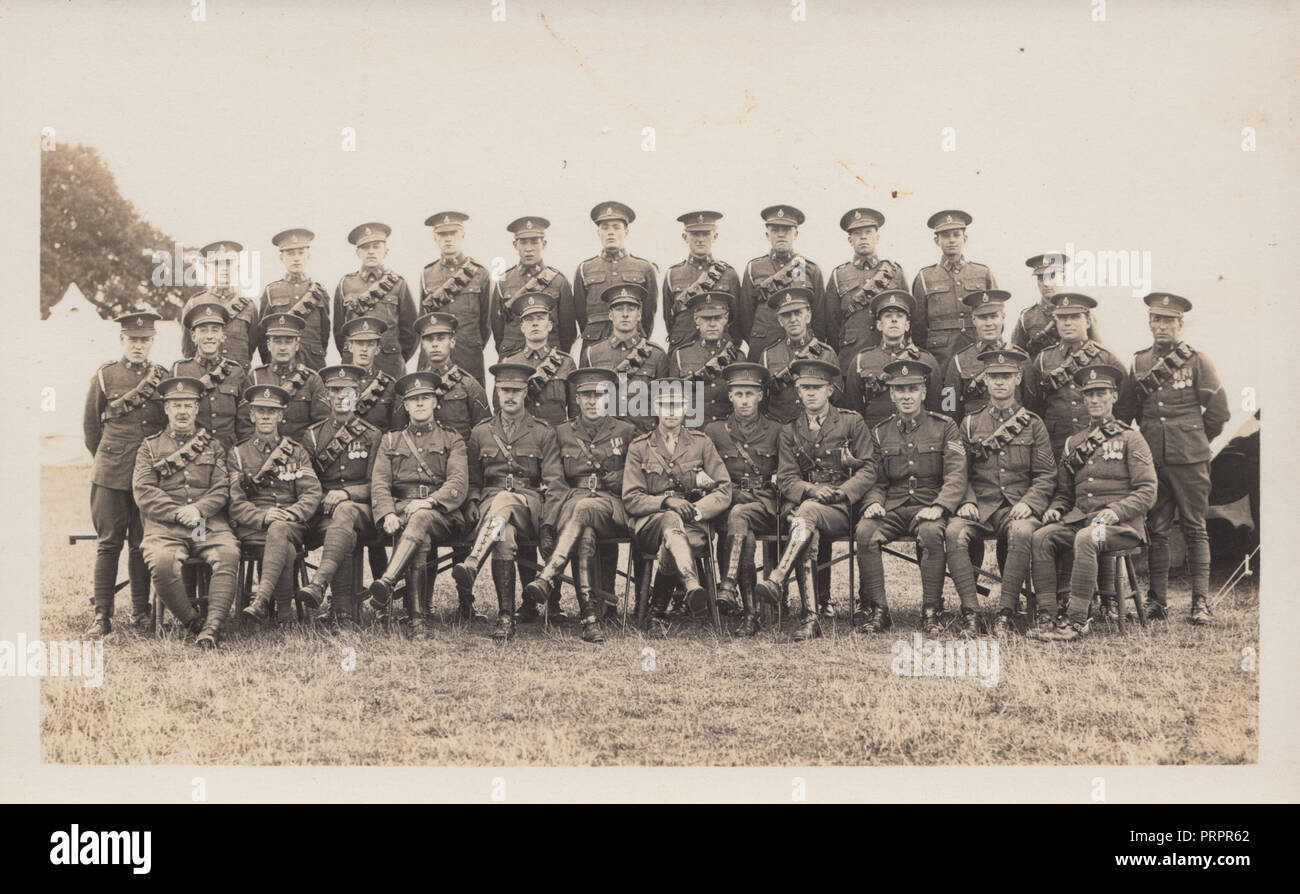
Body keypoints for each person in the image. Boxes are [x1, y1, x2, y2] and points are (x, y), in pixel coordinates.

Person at [1117, 293, 1230, 625]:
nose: (1162, 326)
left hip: (1191, 459)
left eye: (1169, 320)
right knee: (1158, 530)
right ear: (1149, 323)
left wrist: (1194, 441)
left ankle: (1200, 602)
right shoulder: (1138, 363)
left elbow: (1219, 412)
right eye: (1157, 319)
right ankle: (1158, 601)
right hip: (1152, 460)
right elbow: (1126, 415)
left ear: (1181, 324)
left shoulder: (1197, 361)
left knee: (1195, 528)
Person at [1030, 364, 1158, 641]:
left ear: (1113, 396)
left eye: (1101, 393)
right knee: (1041, 536)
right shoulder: (1074, 442)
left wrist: (1115, 511)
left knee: (1087, 538)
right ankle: (1048, 615)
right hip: (1083, 521)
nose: (1095, 400)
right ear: (1083, 399)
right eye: (1090, 395)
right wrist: (1056, 509)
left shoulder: (1131, 438)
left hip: (1121, 528)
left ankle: (1077, 621)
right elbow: (1066, 493)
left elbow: (1148, 490)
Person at [755, 359, 874, 640]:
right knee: (806, 523)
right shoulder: (790, 430)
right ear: (797, 390)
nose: (810, 393)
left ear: (830, 390)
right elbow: (785, 478)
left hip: (842, 507)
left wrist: (843, 492)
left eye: (817, 388)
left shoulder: (850, 421)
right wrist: (810, 489)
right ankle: (811, 618)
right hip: (808, 506)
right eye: (804, 387)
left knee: (804, 516)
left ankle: (777, 579)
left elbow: (869, 468)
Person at [451, 363, 568, 641]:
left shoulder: (542, 432)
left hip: (530, 506)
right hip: (491, 506)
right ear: (497, 392)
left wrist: (548, 524)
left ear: (526, 392)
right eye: (505, 390)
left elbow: (555, 484)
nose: (510, 396)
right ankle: (505, 616)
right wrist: (471, 503)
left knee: (506, 500)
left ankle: (474, 560)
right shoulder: (481, 432)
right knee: (504, 534)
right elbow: (474, 482)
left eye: (516, 390)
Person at [943, 348, 1055, 635]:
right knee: (954, 532)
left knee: (1020, 532)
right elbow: (958, 472)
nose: (999, 382)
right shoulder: (969, 423)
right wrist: (966, 500)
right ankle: (971, 612)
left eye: (1006, 376)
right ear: (986, 380)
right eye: (993, 376)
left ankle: (1006, 612)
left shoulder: (1033, 424)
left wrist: (1030, 503)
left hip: (1016, 505)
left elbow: (1045, 475)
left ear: (1017, 378)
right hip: (980, 505)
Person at [522, 367, 638, 642]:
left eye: (598, 395)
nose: (591, 401)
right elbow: (556, 482)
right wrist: (549, 523)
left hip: (612, 505)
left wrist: (620, 476)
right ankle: (589, 616)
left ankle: (548, 575)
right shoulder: (561, 432)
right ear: (577, 399)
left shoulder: (626, 430)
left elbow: (639, 471)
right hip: (573, 501)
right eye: (585, 395)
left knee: (584, 509)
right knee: (583, 532)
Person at [855, 358, 967, 634]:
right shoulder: (880, 431)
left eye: (913, 389)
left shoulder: (944, 426)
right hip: (894, 505)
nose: (907, 396)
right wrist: (872, 503)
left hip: (929, 504)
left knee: (930, 533)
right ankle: (879, 610)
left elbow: (956, 473)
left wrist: (940, 506)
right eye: (900, 390)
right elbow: (876, 478)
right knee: (865, 531)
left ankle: (931, 610)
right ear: (891, 394)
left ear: (924, 392)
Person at [133, 376, 241, 648]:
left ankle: (214, 625)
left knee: (226, 553)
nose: (182, 411)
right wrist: (177, 512)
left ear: (196, 409)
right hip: (166, 525)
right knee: (161, 561)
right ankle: (193, 622)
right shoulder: (149, 447)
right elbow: (144, 490)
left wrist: (197, 509)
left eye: (188, 405)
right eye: (176, 405)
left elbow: (221, 488)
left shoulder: (213, 446)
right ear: (166, 409)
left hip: (202, 522)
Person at [623, 384, 733, 637]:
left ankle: (657, 609)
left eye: (677, 406)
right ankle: (691, 582)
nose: (671, 412)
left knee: (674, 538)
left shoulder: (701, 443)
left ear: (686, 409)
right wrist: (665, 502)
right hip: (650, 523)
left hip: (692, 522)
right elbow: (631, 497)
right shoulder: (640, 447)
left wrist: (696, 510)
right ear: (655, 408)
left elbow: (724, 488)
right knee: (671, 518)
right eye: (665, 406)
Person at [83, 311, 169, 635]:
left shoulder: (162, 377)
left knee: (141, 542)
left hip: (147, 476)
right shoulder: (105, 376)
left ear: (152, 342)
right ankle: (101, 615)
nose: (138, 345)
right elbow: (91, 428)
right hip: (110, 474)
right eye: (133, 340)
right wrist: (107, 460)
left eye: (144, 340)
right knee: (108, 544)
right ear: (122, 340)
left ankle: (139, 610)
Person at [363, 371, 469, 628]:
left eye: (426, 398)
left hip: (443, 515)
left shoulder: (452, 439)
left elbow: (457, 482)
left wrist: (430, 502)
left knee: (419, 517)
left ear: (435, 402)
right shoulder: (391, 440)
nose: (420, 403)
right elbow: (379, 482)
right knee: (418, 534)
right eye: (414, 399)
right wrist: (387, 513)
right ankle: (417, 617)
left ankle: (388, 581)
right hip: (400, 513)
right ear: (406, 406)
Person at [410, 311, 493, 618]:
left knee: (463, 540)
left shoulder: (469, 386)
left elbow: (484, 438)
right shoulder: (414, 389)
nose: (435, 345)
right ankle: (423, 604)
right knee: (424, 534)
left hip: (462, 481)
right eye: (429, 339)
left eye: (441, 339)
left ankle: (465, 602)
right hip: (423, 480)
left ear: (453, 342)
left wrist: (473, 490)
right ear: (422, 344)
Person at [297, 364, 385, 631]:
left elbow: (376, 484)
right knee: (343, 531)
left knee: (345, 513)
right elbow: (305, 482)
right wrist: (326, 497)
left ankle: (320, 585)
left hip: (363, 512)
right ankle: (342, 613)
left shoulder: (372, 435)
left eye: (348, 391)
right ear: (327, 396)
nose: (341, 396)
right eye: (335, 391)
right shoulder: (312, 435)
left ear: (357, 395)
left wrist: (346, 493)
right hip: (324, 515)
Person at [231, 385, 323, 626]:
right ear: (251, 415)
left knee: (280, 529)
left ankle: (261, 601)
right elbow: (235, 501)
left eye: (271, 412)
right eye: (260, 411)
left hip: (290, 522)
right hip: (254, 526)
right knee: (286, 547)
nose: (265, 416)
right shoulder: (238, 455)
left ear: (281, 416)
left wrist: (290, 514)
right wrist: (262, 516)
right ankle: (284, 614)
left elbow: (312, 492)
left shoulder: (296, 452)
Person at [704, 362, 783, 635]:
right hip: (730, 502)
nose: (745, 401)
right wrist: (730, 492)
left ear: (761, 396)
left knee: (741, 516)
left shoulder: (776, 430)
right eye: (739, 394)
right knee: (743, 531)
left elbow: (785, 472)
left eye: (750, 394)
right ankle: (750, 614)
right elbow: (707, 474)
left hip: (764, 504)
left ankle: (728, 585)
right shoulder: (714, 432)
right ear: (730, 396)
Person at [1024, 293, 1125, 457]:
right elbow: (1034, 405)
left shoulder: (1106, 358)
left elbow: (1124, 405)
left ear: (1088, 321)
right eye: (1062, 318)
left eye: (1075, 317)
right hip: (1055, 445)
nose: (1068, 323)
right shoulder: (1043, 359)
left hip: (1097, 445)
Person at [737, 205, 826, 359]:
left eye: (786, 230)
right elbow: (745, 317)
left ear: (796, 234)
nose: (781, 235)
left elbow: (819, 318)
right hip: (763, 347)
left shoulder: (810, 269)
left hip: (802, 350)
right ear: (767, 235)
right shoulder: (754, 268)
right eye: (775, 230)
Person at [842, 291, 941, 429]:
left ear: (907, 325)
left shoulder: (926, 360)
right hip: (875, 437)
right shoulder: (860, 361)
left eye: (899, 316)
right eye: (887, 316)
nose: (894, 320)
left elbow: (935, 407)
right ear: (879, 325)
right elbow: (854, 410)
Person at [579, 283, 669, 433]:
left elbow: (664, 403)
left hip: (644, 437)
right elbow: (582, 402)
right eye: (619, 309)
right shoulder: (592, 353)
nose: (625, 314)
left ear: (639, 315)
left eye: (631, 309)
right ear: (610, 315)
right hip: (605, 438)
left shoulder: (656, 355)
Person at [910, 211, 997, 366]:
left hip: (977, 347)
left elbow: (995, 313)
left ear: (965, 239)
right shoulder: (925, 277)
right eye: (945, 236)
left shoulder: (983, 273)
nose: (951, 240)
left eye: (956, 235)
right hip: (941, 354)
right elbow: (918, 326)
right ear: (937, 240)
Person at [333, 222, 417, 379]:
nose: (371, 252)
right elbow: (339, 330)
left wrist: (395, 355)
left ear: (386, 251)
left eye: (376, 246)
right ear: (358, 252)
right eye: (365, 247)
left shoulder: (399, 284)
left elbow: (410, 331)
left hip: (390, 366)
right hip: (353, 365)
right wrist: (350, 353)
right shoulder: (345, 284)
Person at [417, 211, 491, 384]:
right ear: (435, 238)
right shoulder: (426, 274)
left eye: (453, 233)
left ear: (463, 235)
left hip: (469, 358)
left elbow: (485, 325)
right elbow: (422, 322)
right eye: (442, 234)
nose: (448, 239)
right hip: (434, 361)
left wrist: (469, 344)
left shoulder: (480, 274)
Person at [827, 208, 908, 366]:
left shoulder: (895, 272)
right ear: (850, 240)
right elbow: (831, 325)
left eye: (868, 232)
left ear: (877, 237)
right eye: (857, 233)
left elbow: (907, 315)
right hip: (851, 358)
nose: (863, 237)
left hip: (890, 356)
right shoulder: (838, 275)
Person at [570, 202, 658, 346]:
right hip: (595, 343)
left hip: (633, 344)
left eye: (616, 227)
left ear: (626, 232)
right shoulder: (584, 269)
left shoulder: (644, 268)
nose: (610, 232)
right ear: (598, 233)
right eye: (605, 228)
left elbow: (648, 315)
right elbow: (581, 316)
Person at [941, 290, 1031, 422]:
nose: (989, 323)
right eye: (983, 317)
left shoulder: (1020, 358)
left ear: (1003, 317)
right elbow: (949, 408)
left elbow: (1032, 404)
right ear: (974, 320)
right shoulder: (959, 361)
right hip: (974, 436)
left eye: (994, 316)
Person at [490, 216, 575, 356]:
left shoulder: (559, 281)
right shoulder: (503, 281)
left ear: (544, 244)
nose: (529, 249)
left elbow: (568, 330)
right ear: (515, 245)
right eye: (523, 242)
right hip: (513, 358)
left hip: (549, 360)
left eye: (535, 242)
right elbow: (497, 329)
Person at [171, 300, 250, 448]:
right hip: (193, 454)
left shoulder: (235, 372)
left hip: (227, 452)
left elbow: (245, 423)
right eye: (203, 330)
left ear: (222, 336)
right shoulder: (179, 370)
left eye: (215, 330)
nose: (209, 336)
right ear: (193, 336)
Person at [240, 312, 329, 442]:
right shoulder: (255, 377)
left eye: (288, 342)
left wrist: (300, 454)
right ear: (269, 345)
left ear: (297, 345)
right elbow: (244, 424)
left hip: (301, 455)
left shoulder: (311, 380)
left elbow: (321, 425)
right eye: (277, 341)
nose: (282, 347)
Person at [661, 211, 743, 349]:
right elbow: (670, 320)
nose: (700, 239)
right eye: (694, 234)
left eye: (706, 234)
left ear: (715, 236)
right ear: (685, 237)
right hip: (683, 349)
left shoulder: (729, 275)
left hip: (718, 353)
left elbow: (736, 321)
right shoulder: (672, 275)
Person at [759, 286, 838, 424]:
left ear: (808, 316)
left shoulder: (827, 353)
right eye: (787, 315)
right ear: (780, 321)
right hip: (780, 429)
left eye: (798, 313)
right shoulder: (768, 355)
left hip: (817, 429)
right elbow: (762, 401)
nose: (793, 319)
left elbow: (837, 399)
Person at [255, 228, 331, 371]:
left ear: (308, 255)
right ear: (281, 258)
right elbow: (262, 336)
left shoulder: (320, 292)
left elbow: (324, 334)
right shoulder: (271, 291)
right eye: (290, 254)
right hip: (280, 365)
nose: (296, 258)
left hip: (313, 362)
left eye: (301, 253)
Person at [499, 292, 577, 426]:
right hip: (521, 440)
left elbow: (575, 412)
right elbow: (500, 413)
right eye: (529, 319)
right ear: (522, 327)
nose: (535, 323)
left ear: (550, 325)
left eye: (540, 318)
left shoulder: (566, 363)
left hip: (556, 439)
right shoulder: (509, 363)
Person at [667, 290, 742, 425]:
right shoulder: (680, 355)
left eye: (718, 318)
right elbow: (673, 402)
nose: (712, 324)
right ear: (696, 319)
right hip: (693, 432)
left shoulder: (738, 357)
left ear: (726, 318)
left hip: (727, 432)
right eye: (706, 318)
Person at [180, 241, 258, 365]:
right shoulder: (194, 304)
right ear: (207, 267)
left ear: (237, 266)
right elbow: (188, 350)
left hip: (238, 379)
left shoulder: (249, 306)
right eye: (217, 264)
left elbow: (250, 348)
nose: (223, 269)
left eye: (228, 263)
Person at [1012, 253, 1100, 357]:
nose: (1046, 283)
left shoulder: (1081, 313)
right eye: (1041, 278)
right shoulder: (1027, 318)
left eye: (1052, 276)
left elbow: (1097, 351)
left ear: (1063, 278)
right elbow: (1016, 355)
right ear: (1037, 282)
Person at [337, 316, 400, 431]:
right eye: (359, 343)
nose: (364, 349)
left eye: (370, 344)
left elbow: (396, 431)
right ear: (350, 347)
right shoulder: (337, 382)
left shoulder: (389, 386)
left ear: (377, 349)